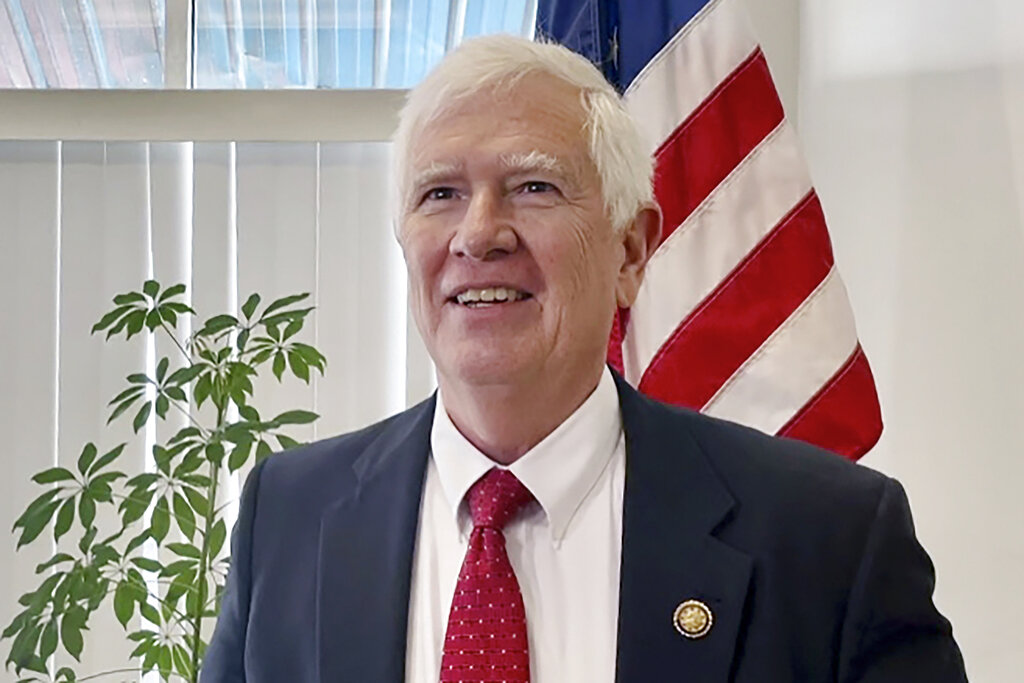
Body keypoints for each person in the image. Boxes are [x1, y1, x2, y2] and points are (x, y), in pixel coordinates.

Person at [201, 35, 967, 682]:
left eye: (533, 186)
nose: (479, 234)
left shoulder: (829, 540)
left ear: (631, 249)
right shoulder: (289, 518)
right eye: (439, 193)